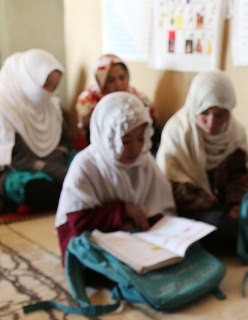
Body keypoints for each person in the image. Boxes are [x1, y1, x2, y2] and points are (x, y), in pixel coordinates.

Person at [55, 91, 175, 263]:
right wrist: (123, 211)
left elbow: (164, 211)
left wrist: (138, 224)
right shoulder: (86, 165)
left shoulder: (145, 162)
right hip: (95, 240)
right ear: (107, 137)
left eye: (140, 139)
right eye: (125, 141)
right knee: (96, 265)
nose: (135, 149)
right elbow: (78, 223)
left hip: (137, 239)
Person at [156, 70, 248, 254]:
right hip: (188, 210)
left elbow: (239, 176)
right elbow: (173, 188)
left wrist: (236, 206)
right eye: (205, 113)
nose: (211, 123)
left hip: (224, 208)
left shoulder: (235, 133)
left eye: (220, 115)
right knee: (221, 228)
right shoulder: (177, 132)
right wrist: (219, 209)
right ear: (194, 107)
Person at [0, 49, 70, 216]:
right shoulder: (0, 106)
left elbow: (65, 141)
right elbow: (15, 160)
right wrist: (57, 171)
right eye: (47, 85)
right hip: (13, 169)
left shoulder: (50, 103)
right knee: (36, 189)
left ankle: (70, 188)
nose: (51, 92)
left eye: (54, 86)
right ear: (29, 80)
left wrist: (58, 163)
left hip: (51, 161)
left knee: (92, 165)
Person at [74, 54, 158, 150]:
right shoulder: (88, 102)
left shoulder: (138, 98)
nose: (119, 84)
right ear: (101, 82)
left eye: (122, 77)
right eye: (111, 80)